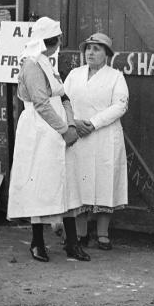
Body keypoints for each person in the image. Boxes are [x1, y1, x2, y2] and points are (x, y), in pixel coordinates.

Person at [7, 17, 89, 262]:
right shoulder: (31, 65)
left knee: (68, 184)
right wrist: (64, 130)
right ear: (51, 41)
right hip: (38, 130)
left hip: (59, 126)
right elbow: (41, 104)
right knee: (40, 184)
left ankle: (72, 243)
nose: (59, 43)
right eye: (58, 39)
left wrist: (71, 124)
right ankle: (37, 242)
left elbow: (63, 97)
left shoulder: (47, 63)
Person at [64, 33, 129, 251]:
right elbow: (64, 101)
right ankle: (81, 233)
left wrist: (93, 123)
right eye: (88, 48)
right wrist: (74, 122)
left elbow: (120, 106)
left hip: (104, 135)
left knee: (104, 181)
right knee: (79, 182)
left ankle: (103, 234)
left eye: (96, 49)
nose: (90, 53)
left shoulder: (115, 77)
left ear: (106, 54)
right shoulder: (74, 75)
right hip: (78, 135)